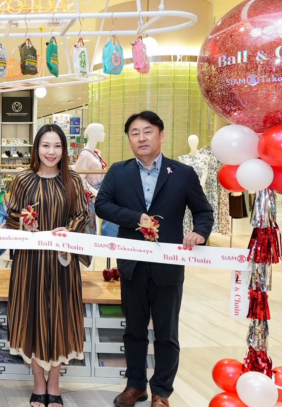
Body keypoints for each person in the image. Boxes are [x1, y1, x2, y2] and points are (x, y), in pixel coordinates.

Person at [95, 111, 214, 407]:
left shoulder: (183, 173)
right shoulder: (118, 172)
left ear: (161, 135)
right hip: (132, 264)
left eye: (147, 131)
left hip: (168, 265)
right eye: (134, 133)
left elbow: (203, 211)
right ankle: (135, 385)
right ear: (129, 140)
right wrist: (136, 218)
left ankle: (162, 391)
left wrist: (200, 232)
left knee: (166, 332)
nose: (141, 138)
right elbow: (102, 205)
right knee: (134, 329)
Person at [5, 124, 90, 407]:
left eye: (57, 146)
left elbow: (82, 215)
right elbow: (11, 215)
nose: (51, 152)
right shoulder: (22, 180)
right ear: (36, 148)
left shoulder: (73, 180)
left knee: (60, 319)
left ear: (64, 150)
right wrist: (24, 223)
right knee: (31, 317)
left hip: (63, 263)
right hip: (30, 263)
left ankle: (54, 384)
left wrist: (69, 230)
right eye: (45, 145)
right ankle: (38, 383)